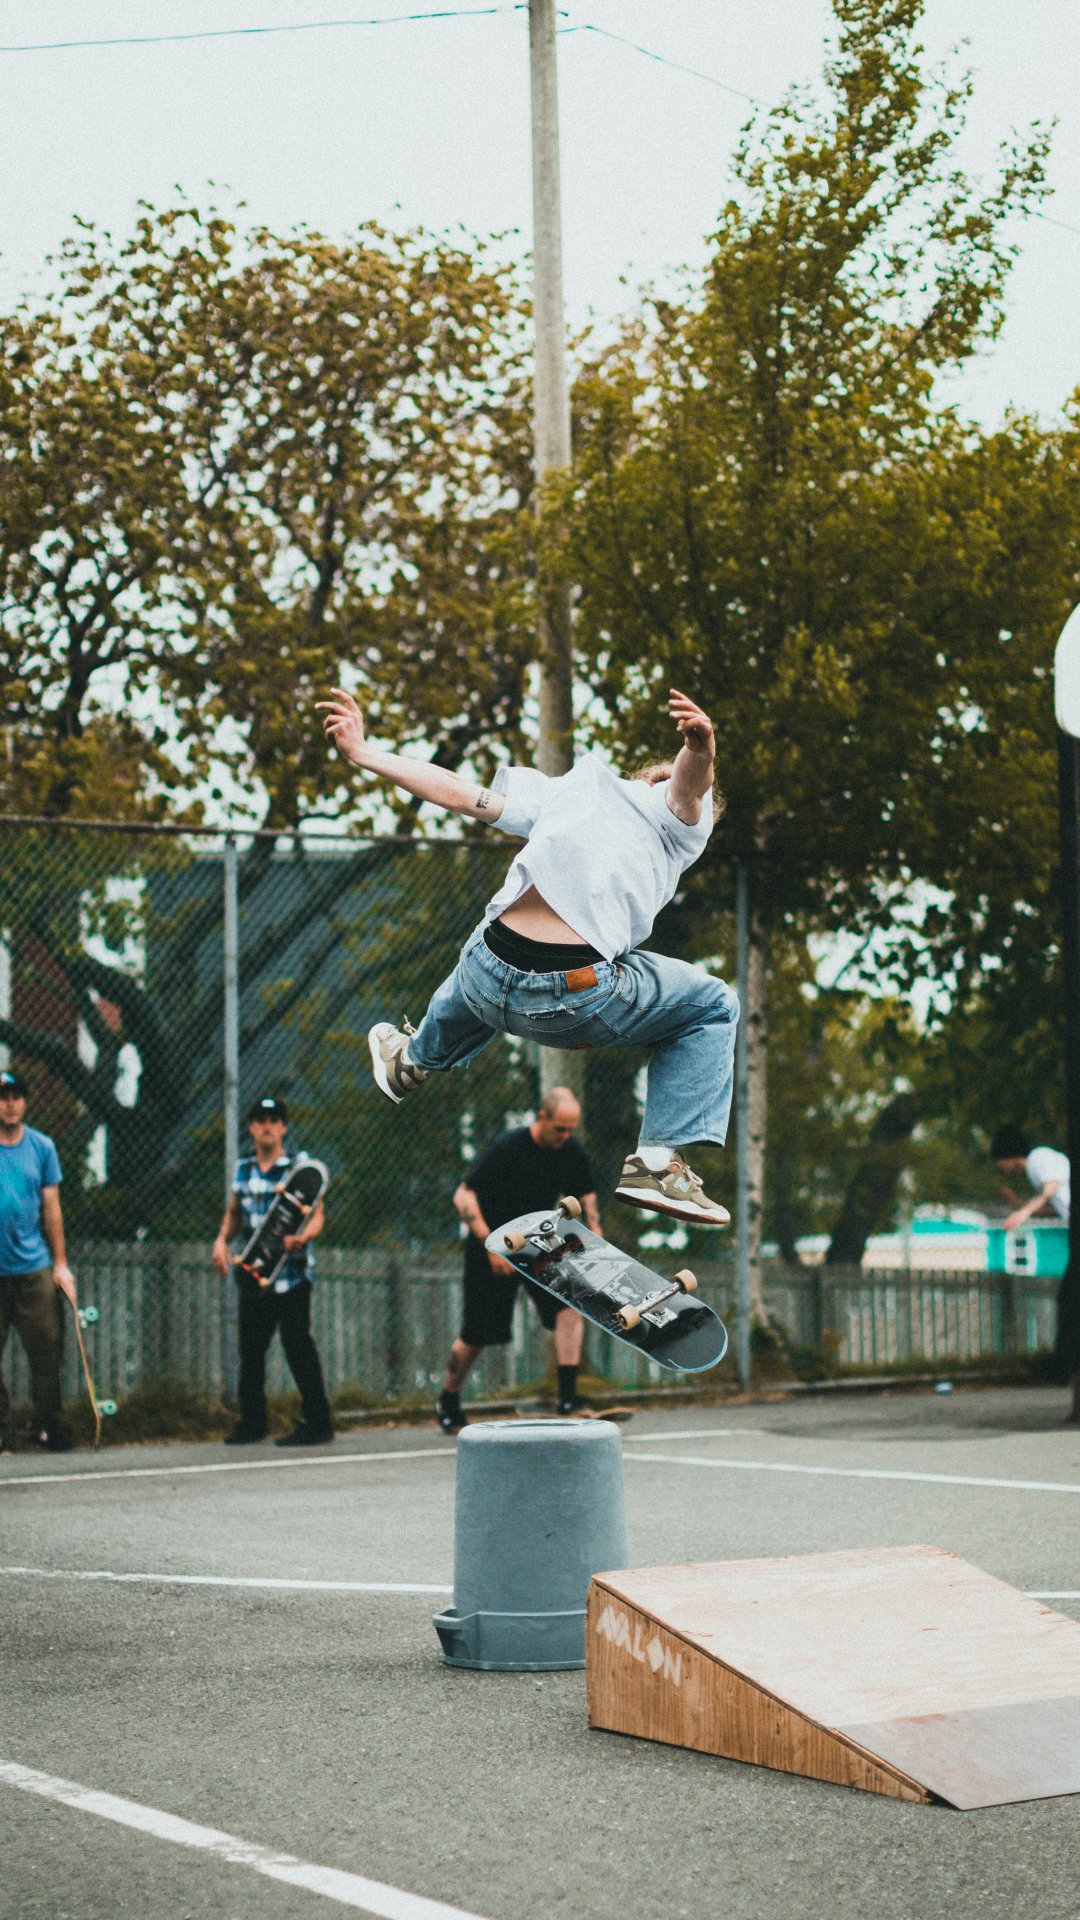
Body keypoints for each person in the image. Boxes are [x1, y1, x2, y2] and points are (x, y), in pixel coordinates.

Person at [318, 685, 738, 1225]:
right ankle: (657, 1162)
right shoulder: (629, 808)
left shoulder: (613, 804)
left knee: (492, 947)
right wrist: (701, 750)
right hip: (570, 998)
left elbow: (459, 793)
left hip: (484, 976)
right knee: (714, 1004)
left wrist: (365, 753)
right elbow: (687, 788)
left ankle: (416, 1059)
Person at [438, 1087, 602, 1431]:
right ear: (542, 1117)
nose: (565, 1136)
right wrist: (491, 1246)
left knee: (569, 1307)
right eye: (559, 1128)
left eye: (571, 1129)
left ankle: (568, 1399)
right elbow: (463, 1196)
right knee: (477, 1332)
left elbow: (585, 1194)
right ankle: (448, 1400)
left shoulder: (569, 1149)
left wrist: (596, 1237)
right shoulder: (508, 1147)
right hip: (491, 1242)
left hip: (538, 1243)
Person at [212, 1095, 334, 1447]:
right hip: (256, 1275)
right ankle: (252, 1423)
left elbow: (318, 1215)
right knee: (251, 1351)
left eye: (274, 1120)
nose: (267, 1126)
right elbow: (234, 1213)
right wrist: (221, 1241)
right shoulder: (243, 1169)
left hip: (293, 1276)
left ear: (283, 1128)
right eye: (261, 1120)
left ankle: (318, 1423)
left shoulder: (298, 1168)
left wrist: (303, 1237)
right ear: (251, 1127)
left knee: (298, 1346)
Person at [0, 1069, 77, 1452]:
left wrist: (60, 1264)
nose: (10, 1104)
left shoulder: (42, 1147)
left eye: (16, 1097)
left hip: (33, 1268)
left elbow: (52, 1208)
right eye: (3, 1097)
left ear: (25, 1102)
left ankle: (47, 1424)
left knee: (47, 1347)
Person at [990, 1126, 1071, 1230]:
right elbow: (1051, 1211)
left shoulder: (1038, 1156)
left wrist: (1024, 1212)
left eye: (1000, 1163)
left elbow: (1051, 1187)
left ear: (1008, 1157)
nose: (1001, 1169)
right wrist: (1016, 1204)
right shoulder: (1033, 1171)